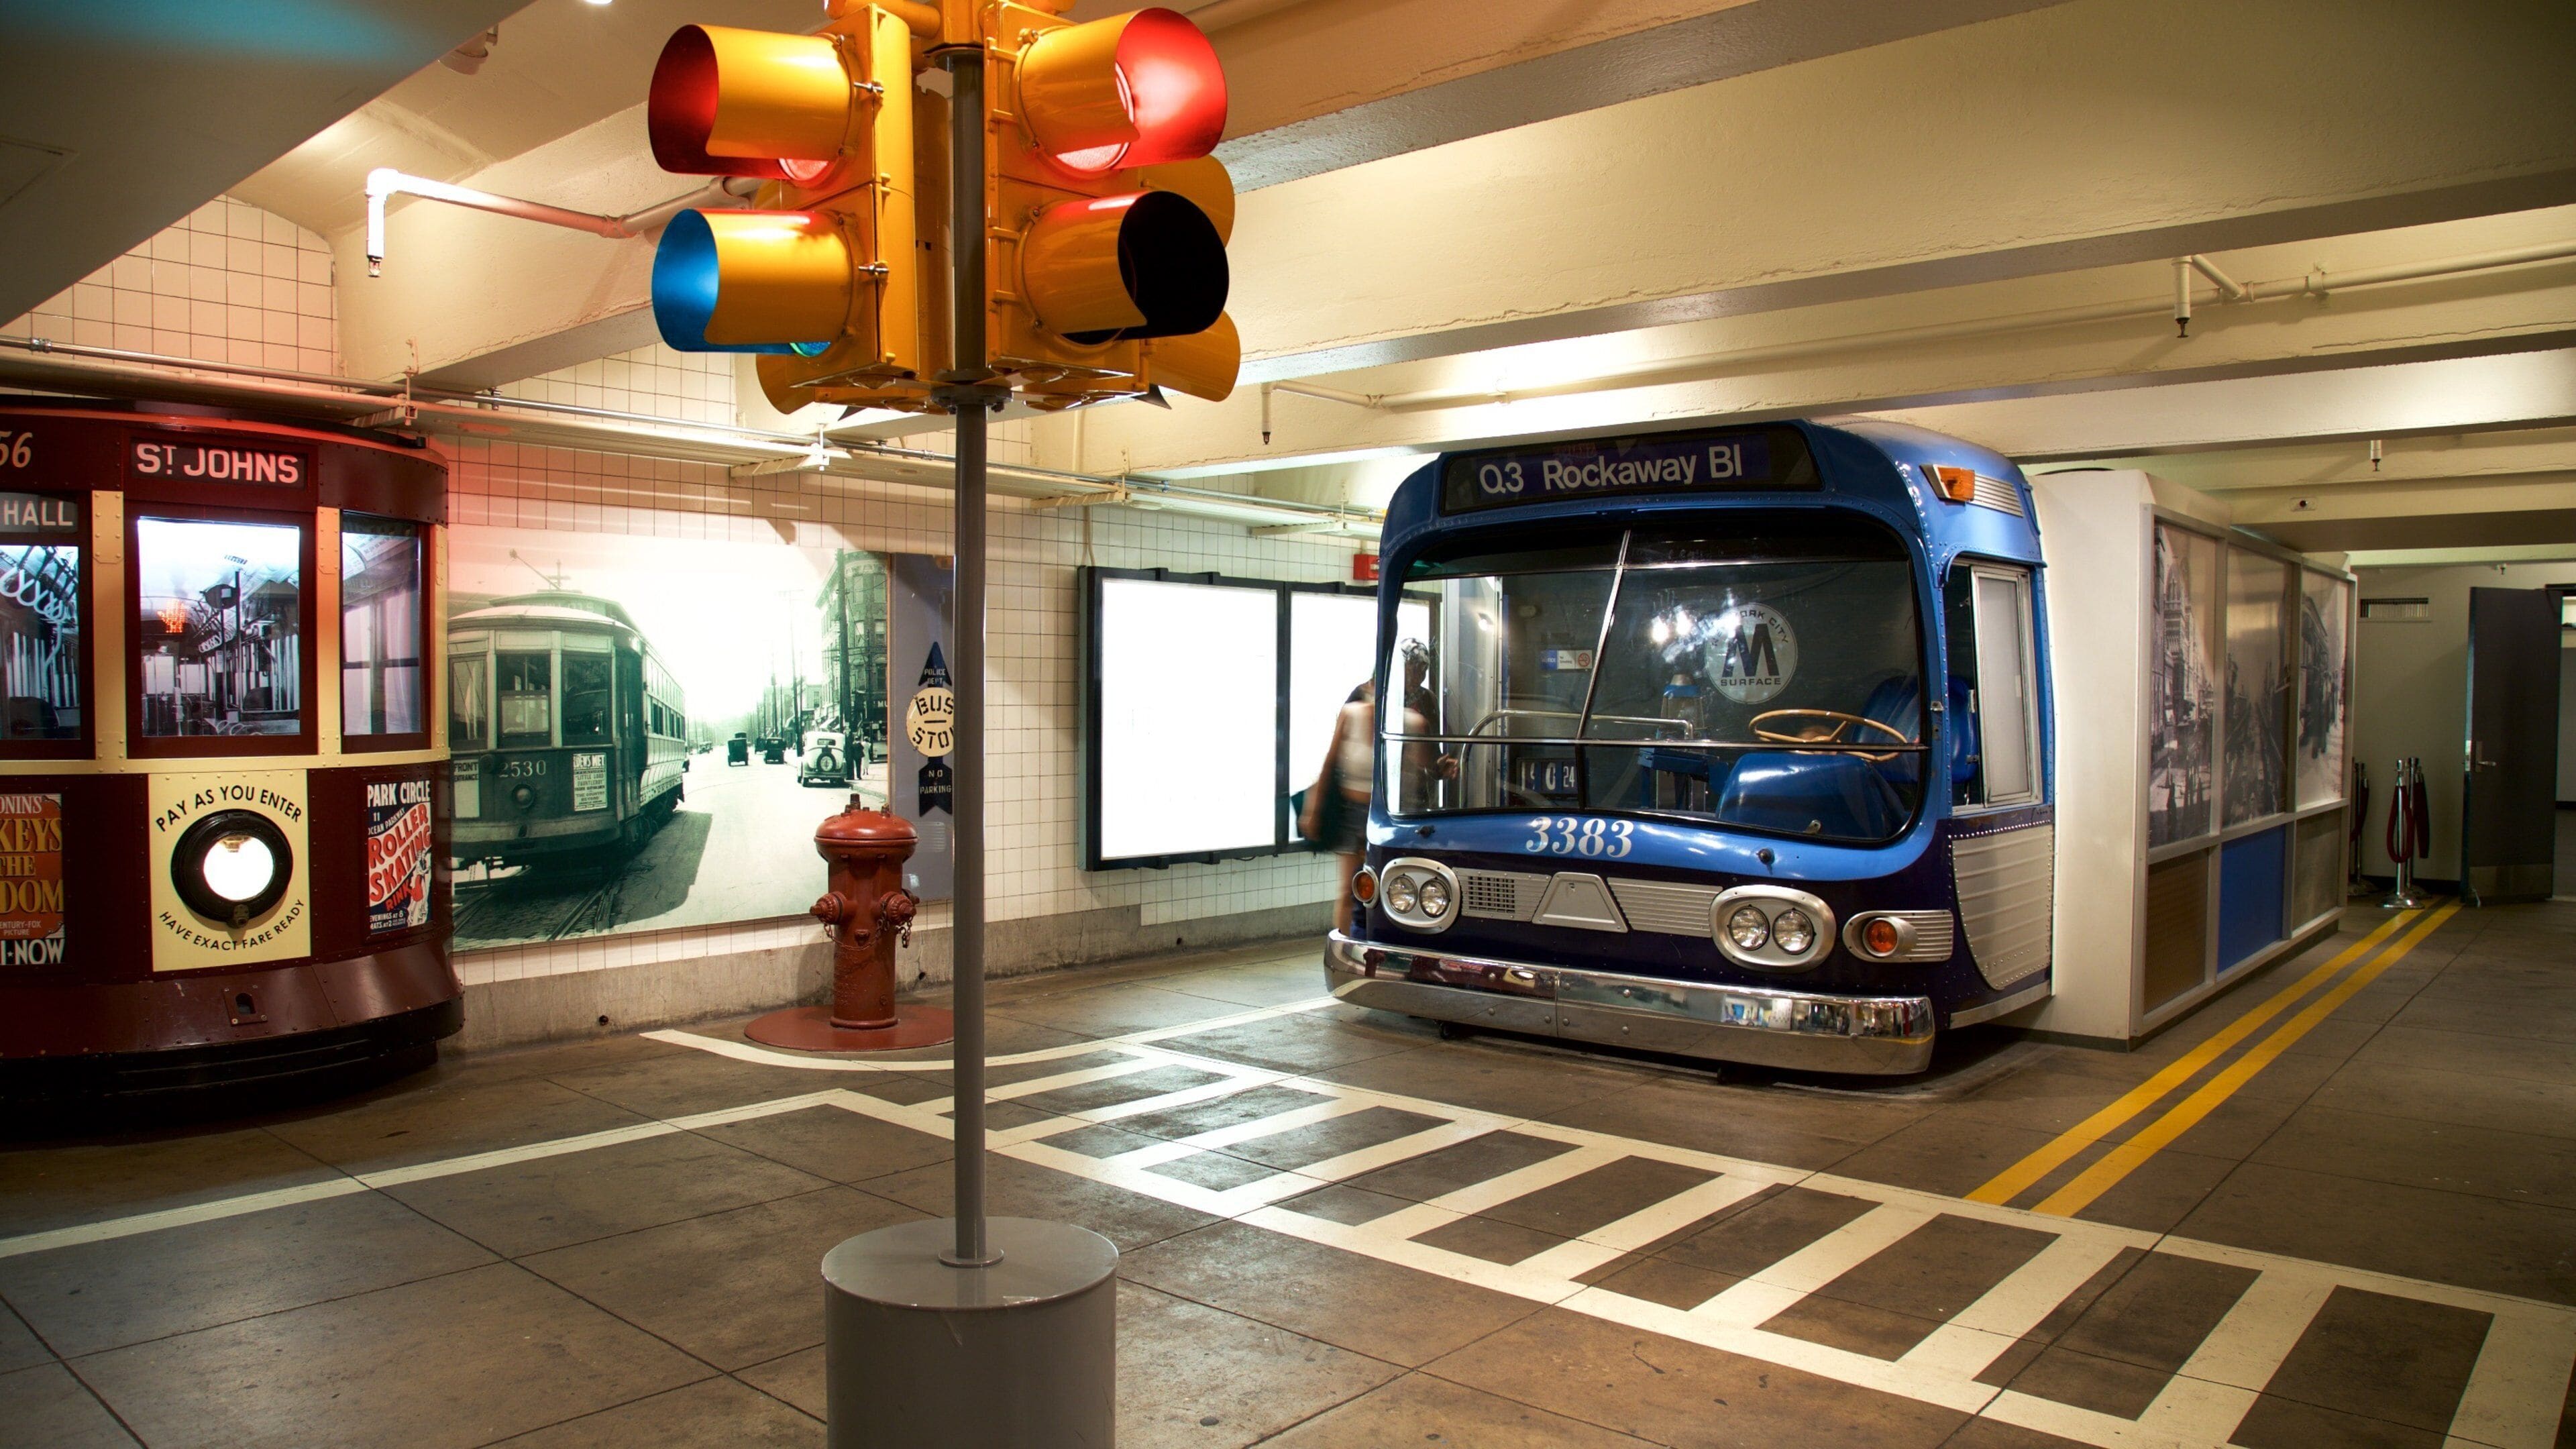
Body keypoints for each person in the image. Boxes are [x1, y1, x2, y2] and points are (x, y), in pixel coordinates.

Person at [1301, 680, 1375, 932]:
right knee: (1349, 888)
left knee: (1380, 888)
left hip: (1383, 815)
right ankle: (1345, 945)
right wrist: (1313, 809)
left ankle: (1372, 943)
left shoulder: (1404, 721)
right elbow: (1330, 761)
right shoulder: (1351, 714)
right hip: (1352, 811)